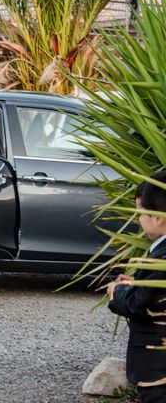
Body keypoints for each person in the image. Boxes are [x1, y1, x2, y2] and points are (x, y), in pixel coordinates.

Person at [107, 169, 166, 403]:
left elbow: (145, 303)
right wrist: (137, 284)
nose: (138, 219)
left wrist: (118, 292)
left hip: (157, 369)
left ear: (158, 218)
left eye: (140, 213)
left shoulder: (162, 256)